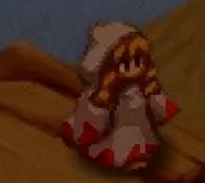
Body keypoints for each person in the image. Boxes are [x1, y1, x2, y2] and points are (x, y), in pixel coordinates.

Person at [61, 22, 177, 170]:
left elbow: (160, 115)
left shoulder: (141, 90)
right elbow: (92, 124)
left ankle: (137, 154)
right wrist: (102, 99)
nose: (135, 68)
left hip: (140, 138)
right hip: (111, 142)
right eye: (125, 63)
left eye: (139, 59)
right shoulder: (99, 95)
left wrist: (153, 92)